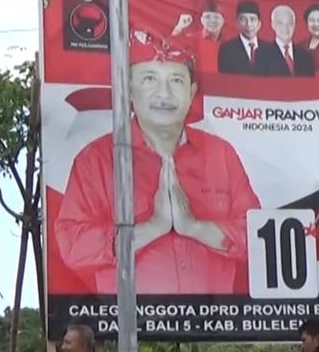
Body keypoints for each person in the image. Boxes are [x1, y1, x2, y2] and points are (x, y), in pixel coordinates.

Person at [55, 31, 260, 295]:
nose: (163, 94)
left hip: (216, 326)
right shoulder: (96, 160)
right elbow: (72, 244)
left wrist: (196, 228)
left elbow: (257, 237)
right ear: (128, 89)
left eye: (175, 80)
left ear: (192, 92)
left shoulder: (221, 154)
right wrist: (152, 227)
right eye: (149, 79)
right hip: (129, 330)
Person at [258, 4, 315, 77]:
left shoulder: (306, 56)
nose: (285, 28)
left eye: (289, 24)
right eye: (280, 24)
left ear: (294, 25)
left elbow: (311, 85)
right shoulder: (262, 54)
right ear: (273, 25)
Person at [171, 0, 225, 74]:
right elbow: (170, 50)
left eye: (216, 17)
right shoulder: (192, 39)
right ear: (201, 19)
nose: (212, 20)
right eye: (207, 17)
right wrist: (179, 27)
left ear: (223, 20)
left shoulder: (231, 43)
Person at [217, 0, 269, 74]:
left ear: (259, 24)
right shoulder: (227, 49)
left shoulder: (268, 49)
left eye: (252, 19)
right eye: (243, 19)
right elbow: (225, 80)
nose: (248, 24)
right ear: (237, 23)